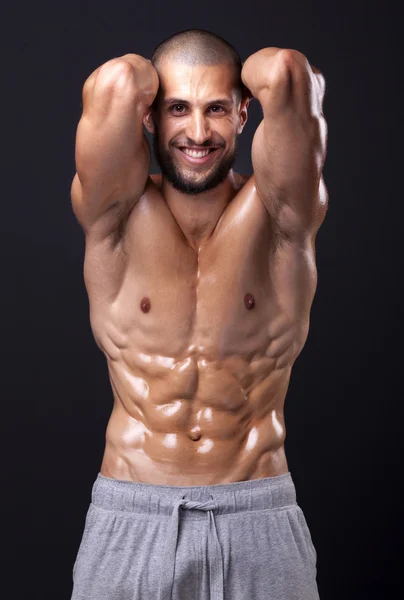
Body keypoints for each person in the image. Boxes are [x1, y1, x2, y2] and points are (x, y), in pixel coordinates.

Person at [70, 28, 328, 600]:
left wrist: (248, 78)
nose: (197, 131)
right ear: (149, 118)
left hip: (256, 516)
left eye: (216, 109)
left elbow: (284, 72)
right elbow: (118, 80)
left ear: (243, 116)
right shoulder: (114, 213)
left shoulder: (284, 215)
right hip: (131, 516)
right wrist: (154, 79)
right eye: (177, 109)